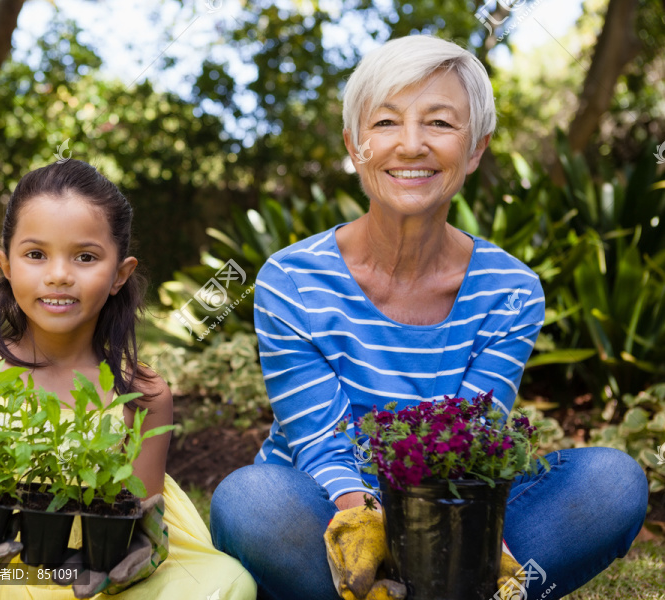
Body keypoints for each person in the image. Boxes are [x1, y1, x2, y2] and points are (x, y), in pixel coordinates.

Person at [209, 35, 648, 600]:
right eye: (386, 122)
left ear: (475, 150)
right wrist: (366, 523)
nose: (411, 145)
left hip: (454, 506)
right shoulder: (292, 280)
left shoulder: (510, 290)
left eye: (439, 123)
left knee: (612, 482)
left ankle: (429, 585)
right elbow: (322, 442)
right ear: (355, 145)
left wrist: (464, 540)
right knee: (249, 500)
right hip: (325, 506)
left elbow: (474, 434)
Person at [0, 159, 256, 600]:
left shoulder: (143, 394)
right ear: (6, 265)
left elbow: (139, 522)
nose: (59, 274)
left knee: (227, 584)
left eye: (85, 256)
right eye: (36, 255)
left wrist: (134, 559)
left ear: (120, 274)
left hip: (95, 579)